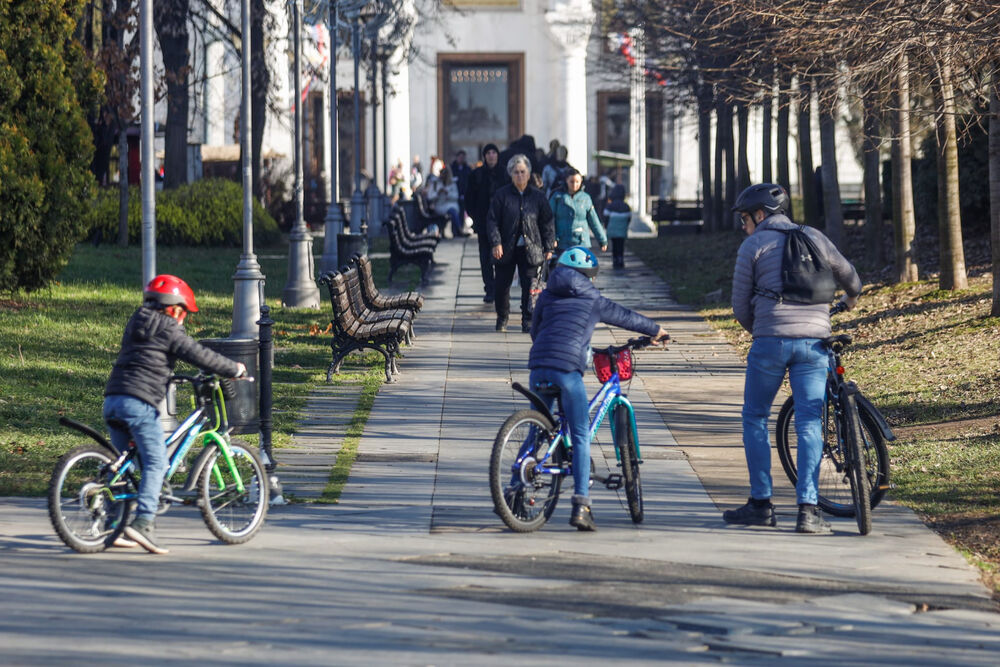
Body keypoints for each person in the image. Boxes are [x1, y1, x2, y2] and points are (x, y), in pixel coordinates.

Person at [725, 183, 863, 534]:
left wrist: (763, 329)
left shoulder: (753, 246)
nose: (743, 225)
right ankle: (808, 511)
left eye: (745, 218)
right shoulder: (814, 237)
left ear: (760, 215)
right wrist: (849, 300)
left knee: (755, 417)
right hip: (815, 344)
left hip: (770, 344)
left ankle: (761, 504)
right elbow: (851, 279)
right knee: (809, 423)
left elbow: (740, 305)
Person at [104, 275, 247, 554]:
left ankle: (113, 523)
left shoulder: (136, 322)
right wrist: (234, 369)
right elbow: (199, 354)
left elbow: (146, 357)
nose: (183, 320)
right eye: (183, 313)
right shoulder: (169, 329)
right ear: (173, 309)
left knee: (126, 465)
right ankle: (144, 523)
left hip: (113, 399)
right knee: (157, 463)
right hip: (138, 403)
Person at [529, 246, 669, 531]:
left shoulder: (546, 294)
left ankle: (515, 488)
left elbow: (535, 330)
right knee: (581, 435)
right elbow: (625, 316)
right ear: (588, 276)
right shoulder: (592, 299)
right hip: (567, 370)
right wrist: (656, 330)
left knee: (535, 432)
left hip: (538, 367)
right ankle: (582, 506)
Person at [486, 153, 555, 333]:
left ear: (529, 173)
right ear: (511, 174)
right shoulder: (502, 195)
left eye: (523, 172)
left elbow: (547, 222)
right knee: (502, 286)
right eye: (516, 172)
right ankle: (502, 317)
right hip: (506, 248)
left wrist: (548, 246)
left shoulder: (538, 196)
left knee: (529, 286)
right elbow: (492, 221)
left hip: (531, 247)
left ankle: (528, 319)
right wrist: (496, 242)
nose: (520, 175)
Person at [466, 143, 505, 302]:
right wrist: (475, 216)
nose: (491, 156)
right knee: (485, 257)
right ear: (484, 156)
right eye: (488, 153)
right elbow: (469, 198)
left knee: (502, 257)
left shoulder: (504, 174)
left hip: (502, 223)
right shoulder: (477, 174)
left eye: (494, 152)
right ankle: (489, 288)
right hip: (483, 222)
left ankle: (501, 288)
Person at [550, 168, 607, 254]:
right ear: (566, 181)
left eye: (577, 182)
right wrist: (552, 238)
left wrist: (602, 240)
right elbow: (549, 220)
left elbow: (594, 220)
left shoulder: (586, 198)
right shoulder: (557, 197)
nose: (574, 185)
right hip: (562, 243)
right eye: (571, 182)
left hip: (582, 242)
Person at [431, 167, 465, 237]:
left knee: (453, 211)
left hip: (450, 205)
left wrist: (447, 193)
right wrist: (438, 193)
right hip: (439, 205)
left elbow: (455, 196)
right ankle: (459, 230)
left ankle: (457, 230)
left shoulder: (452, 184)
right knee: (451, 212)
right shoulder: (436, 183)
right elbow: (430, 196)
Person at [603, 184, 631, 269]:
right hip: (622, 230)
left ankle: (615, 259)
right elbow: (629, 218)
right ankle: (620, 259)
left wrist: (606, 226)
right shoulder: (626, 206)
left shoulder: (610, 206)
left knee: (614, 245)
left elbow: (605, 217)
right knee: (621, 245)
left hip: (612, 229)